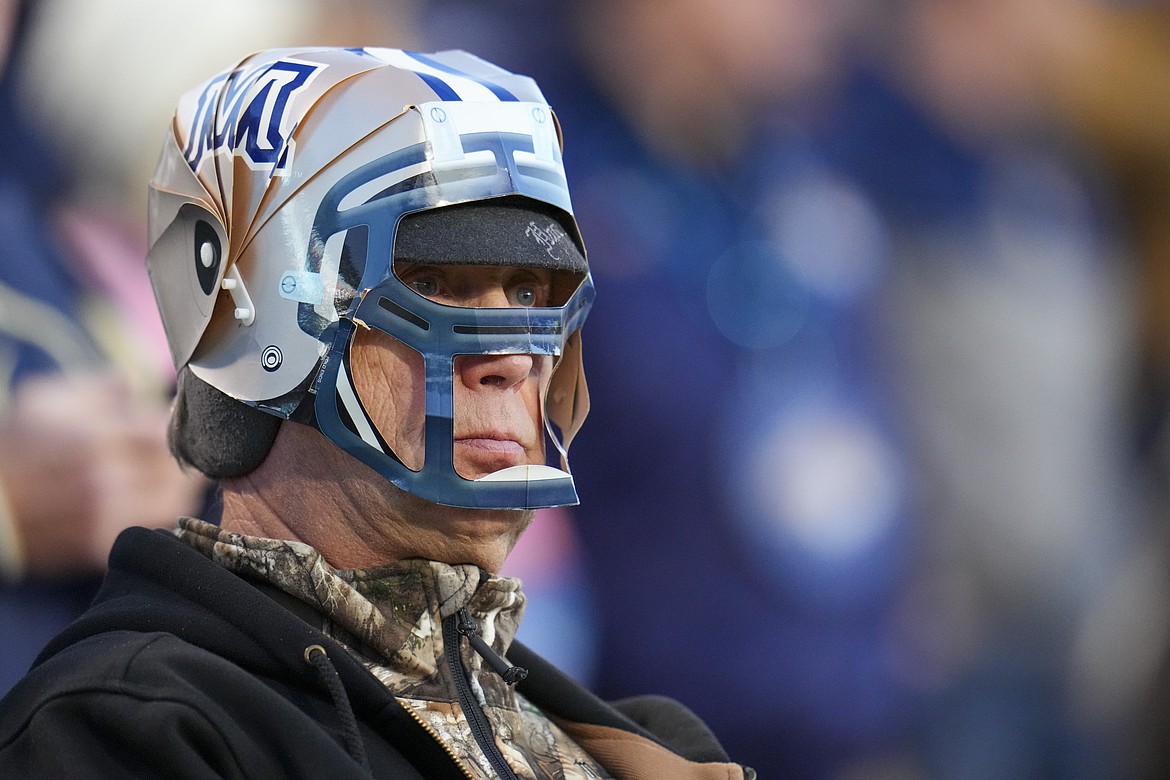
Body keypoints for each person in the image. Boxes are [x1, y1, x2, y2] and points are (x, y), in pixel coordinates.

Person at [0, 46, 752, 779]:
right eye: (437, 282)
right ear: (250, 316)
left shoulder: (645, 746)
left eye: (528, 293)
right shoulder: (133, 730)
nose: (514, 359)